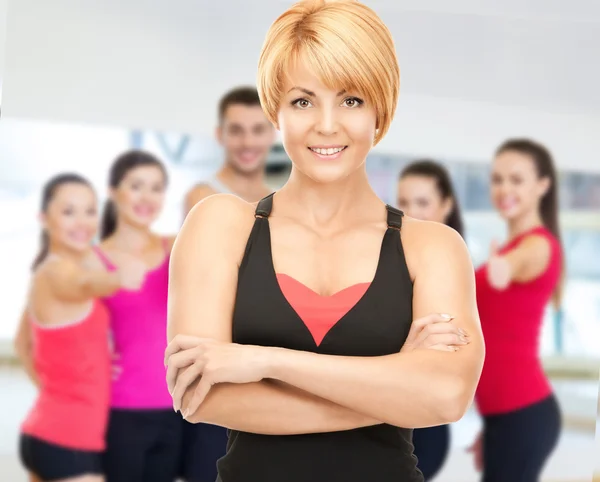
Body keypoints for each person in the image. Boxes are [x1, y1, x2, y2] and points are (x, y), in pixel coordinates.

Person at [165, 1, 485, 482]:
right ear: (276, 109)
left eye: (351, 100)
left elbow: (445, 396)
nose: (327, 125)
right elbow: (202, 395)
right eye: (302, 100)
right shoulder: (222, 225)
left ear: (382, 107)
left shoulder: (433, 248)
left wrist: (263, 361)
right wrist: (395, 381)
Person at [15, 173, 144, 482]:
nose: (82, 222)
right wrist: (118, 277)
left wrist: (60, 391)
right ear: (44, 219)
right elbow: (82, 283)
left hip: (49, 430)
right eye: (68, 212)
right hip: (67, 442)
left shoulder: (46, 273)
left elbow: (22, 344)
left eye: (90, 211)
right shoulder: (55, 274)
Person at [468, 139, 564, 481]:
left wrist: (502, 269)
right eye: (497, 179)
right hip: (506, 417)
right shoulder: (512, 246)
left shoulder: (537, 245)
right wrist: (494, 426)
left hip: (522, 412)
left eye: (516, 179)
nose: (504, 188)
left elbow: (517, 264)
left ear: (542, 185)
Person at [94, 151, 180, 482]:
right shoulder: (93, 261)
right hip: (121, 410)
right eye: (137, 186)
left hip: (175, 410)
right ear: (114, 191)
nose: (147, 197)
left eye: (156, 188)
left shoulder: (178, 248)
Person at [397, 159, 465, 479]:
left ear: (446, 206)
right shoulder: (389, 261)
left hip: (422, 427)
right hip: (381, 417)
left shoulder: (454, 274)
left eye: (423, 202)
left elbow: (444, 362)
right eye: (404, 202)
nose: (411, 213)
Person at [184, 86, 276, 216]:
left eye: (258, 130)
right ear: (219, 134)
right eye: (236, 131)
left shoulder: (281, 202)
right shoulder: (203, 197)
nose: (247, 142)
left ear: (272, 135)